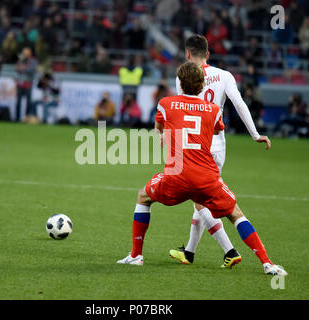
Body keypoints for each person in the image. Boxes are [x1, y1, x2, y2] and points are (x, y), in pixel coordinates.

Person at [117, 62, 287, 276]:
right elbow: (217, 130)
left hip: (176, 176)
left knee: (143, 197)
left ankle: (136, 256)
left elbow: (159, 129)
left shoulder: (165, 103)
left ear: (180, 83)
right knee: (236, 214)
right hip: (206, 177)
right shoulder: (214, 111)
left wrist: (163, 135)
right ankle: (267, 264)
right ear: (202, 85)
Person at [170, 35, 271, 268]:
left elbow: (182, 111)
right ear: (208, 54)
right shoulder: (225, 76)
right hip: (218, 144)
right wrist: (255, 134)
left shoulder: (182, 76)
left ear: (187, 54)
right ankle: (189, 252)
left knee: (200, 200)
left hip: (195, 145)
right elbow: (239, 104)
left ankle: (230, 250)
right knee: (201, 198)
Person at [15, 47, 37, 122]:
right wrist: (21, 68)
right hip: (20, 84)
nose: (24, 54)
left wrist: (23, 69)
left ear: (29, 53)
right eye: (23, 53)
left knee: (28, 102)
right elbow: (17, 68)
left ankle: (27, 118)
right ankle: (17, 118)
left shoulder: (33, 61)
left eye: (25, 53)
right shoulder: (20, 60)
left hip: (28, 84)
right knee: (18, 102)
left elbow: (31, 70)